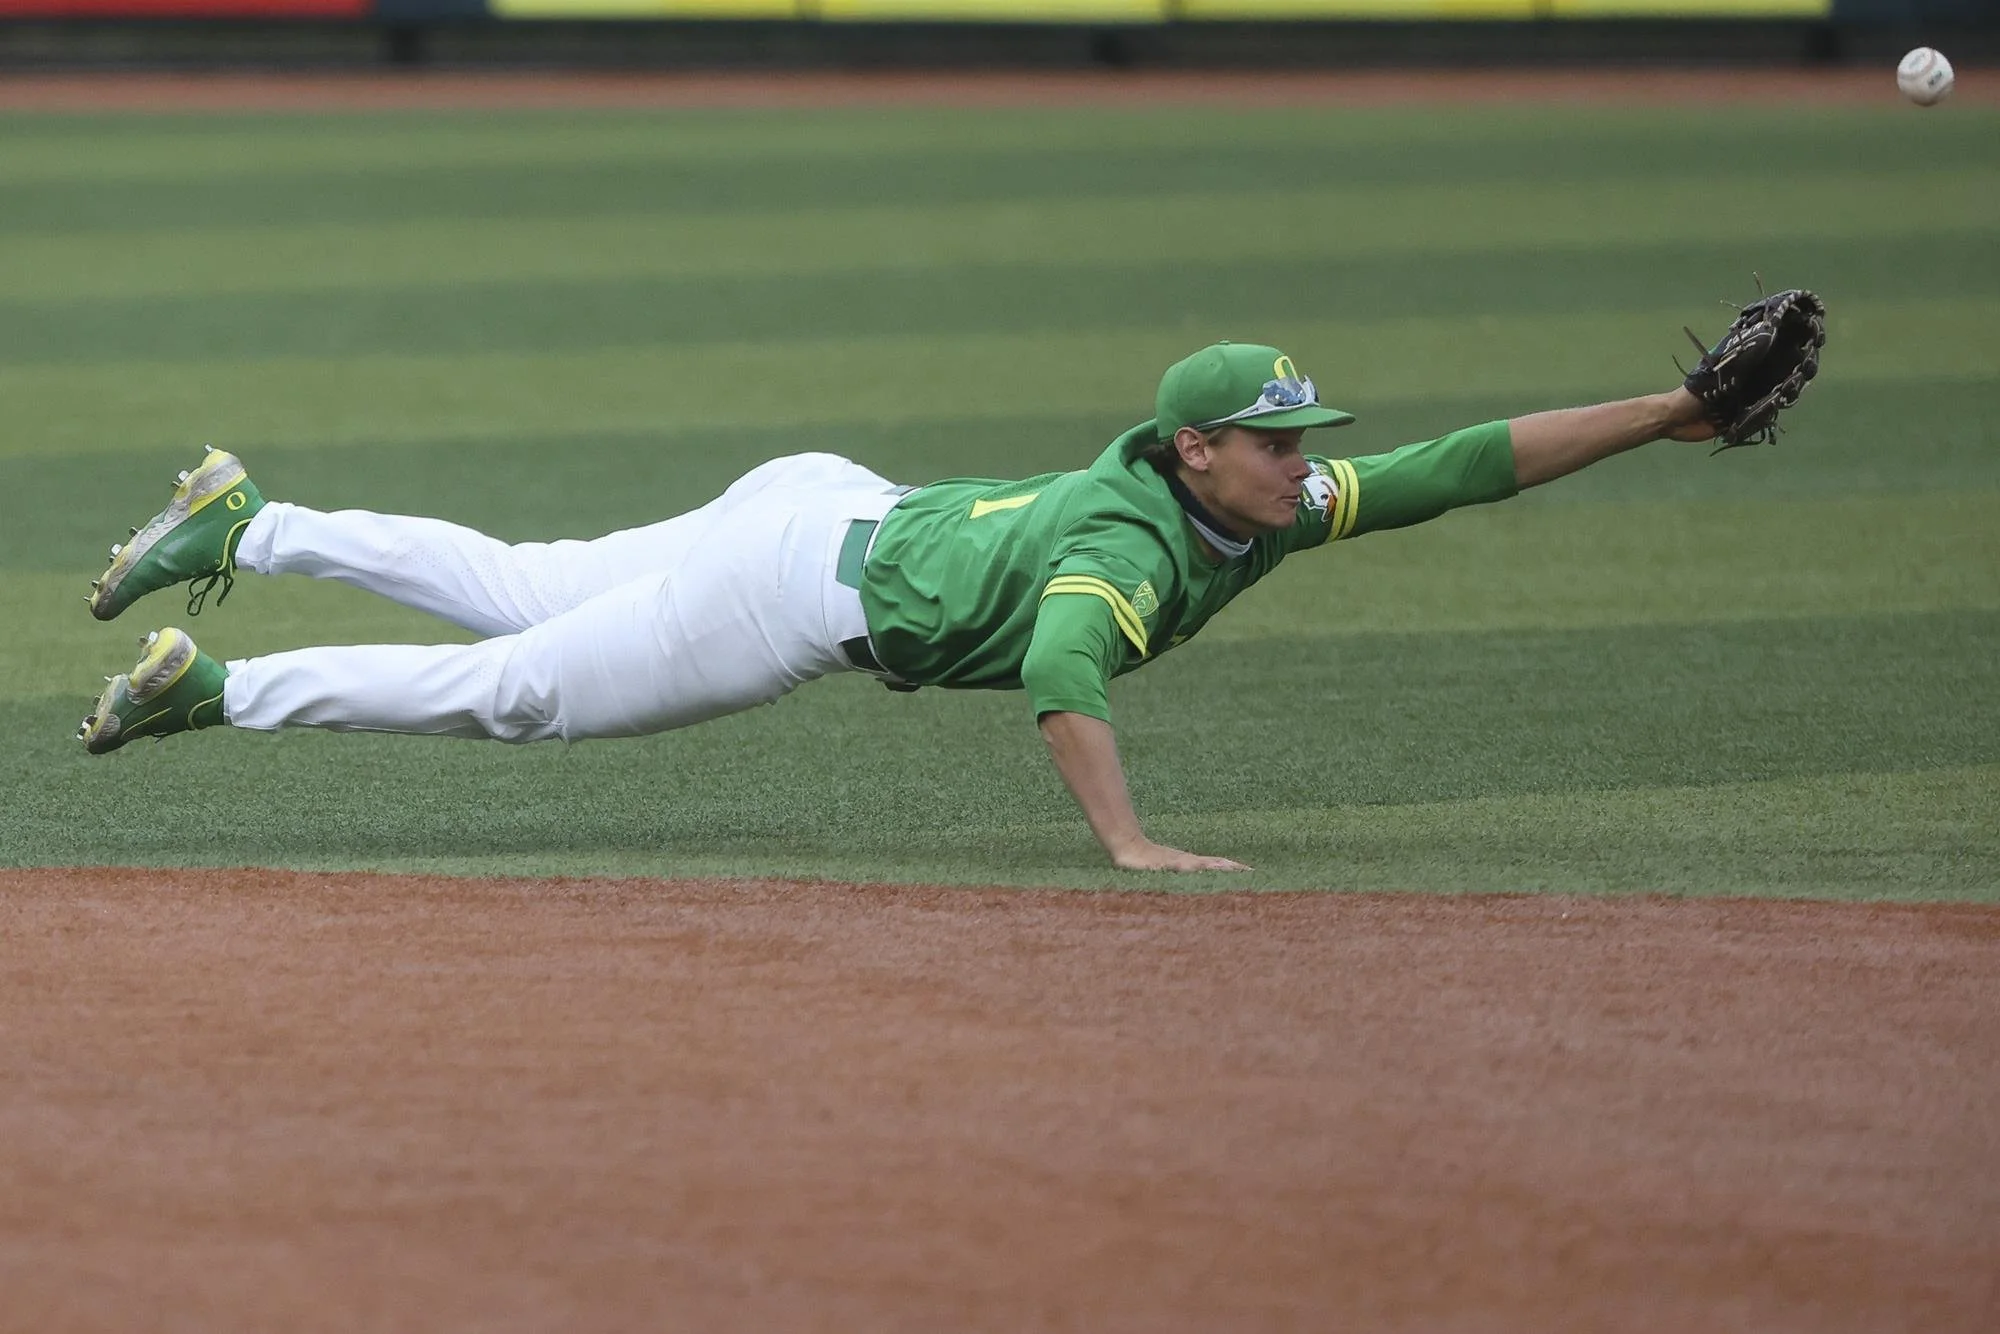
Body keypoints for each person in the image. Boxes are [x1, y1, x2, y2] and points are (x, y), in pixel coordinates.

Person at [79, 340, 1722, 871]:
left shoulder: (1252, 509)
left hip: (829, 504)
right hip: (796, 582)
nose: (1306, 465)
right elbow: (1067, 665)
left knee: (524, 582)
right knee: (517, 684)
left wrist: (1666, 412)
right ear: (1196, 449)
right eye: (1276, 442)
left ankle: (254, 518)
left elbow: (1454, 466)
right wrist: (1130, 843)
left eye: (1304, 443)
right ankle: (214, 687)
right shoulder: (1138, 543)